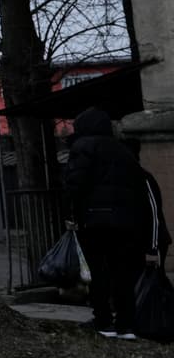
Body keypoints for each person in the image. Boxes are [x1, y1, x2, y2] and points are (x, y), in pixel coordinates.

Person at [65, 107, 157, 338]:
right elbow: (138, 189)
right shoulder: (124, 151)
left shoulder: (83, 147)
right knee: (123, 272)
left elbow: (76, 184)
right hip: (127, 223)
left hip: (95, 220)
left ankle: (104, 321)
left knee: (98, 272)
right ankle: (126, 324)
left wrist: (73, 214)